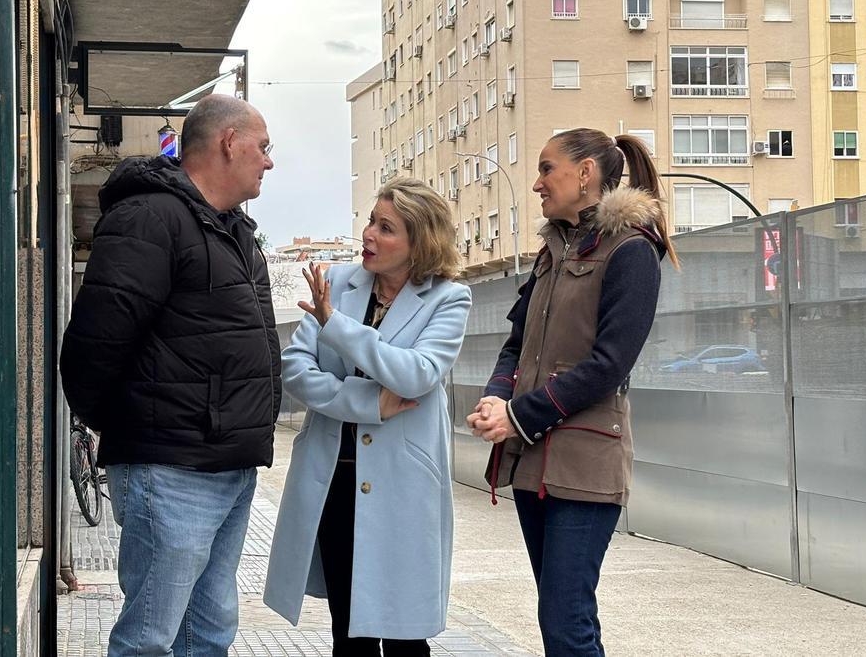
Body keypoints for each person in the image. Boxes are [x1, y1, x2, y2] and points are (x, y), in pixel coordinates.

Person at [59, 94, 281, 657]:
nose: (269, 161)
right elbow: (93, 344)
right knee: (150, 640)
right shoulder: (150, 218)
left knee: (208, 634)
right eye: (263, 146)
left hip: (229, 465)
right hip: (169, 466)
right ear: (229, 142)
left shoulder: (235, 231)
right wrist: (133, 430)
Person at [467, 128, 679, 656]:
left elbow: (609, 366)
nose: (537, 183)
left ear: (585, 173)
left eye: (546, 168)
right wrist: (497, 399)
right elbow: (517, 345)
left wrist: (518, 415)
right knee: (556, 614)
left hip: (586, 463)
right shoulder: (551, 251)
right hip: (532, 460)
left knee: (567, 619)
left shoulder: (631, 250)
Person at [264, 177, 472, 656]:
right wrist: (369, 404)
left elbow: (417, 374)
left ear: (420, 242)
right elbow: (296, 369)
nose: (368, 235)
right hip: (336, 482)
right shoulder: (337, 282)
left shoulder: (448, 299)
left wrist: (334, 325)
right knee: (349, 632)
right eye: (370, 222)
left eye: (386, 227)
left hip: (403, 486)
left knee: (405, 634)